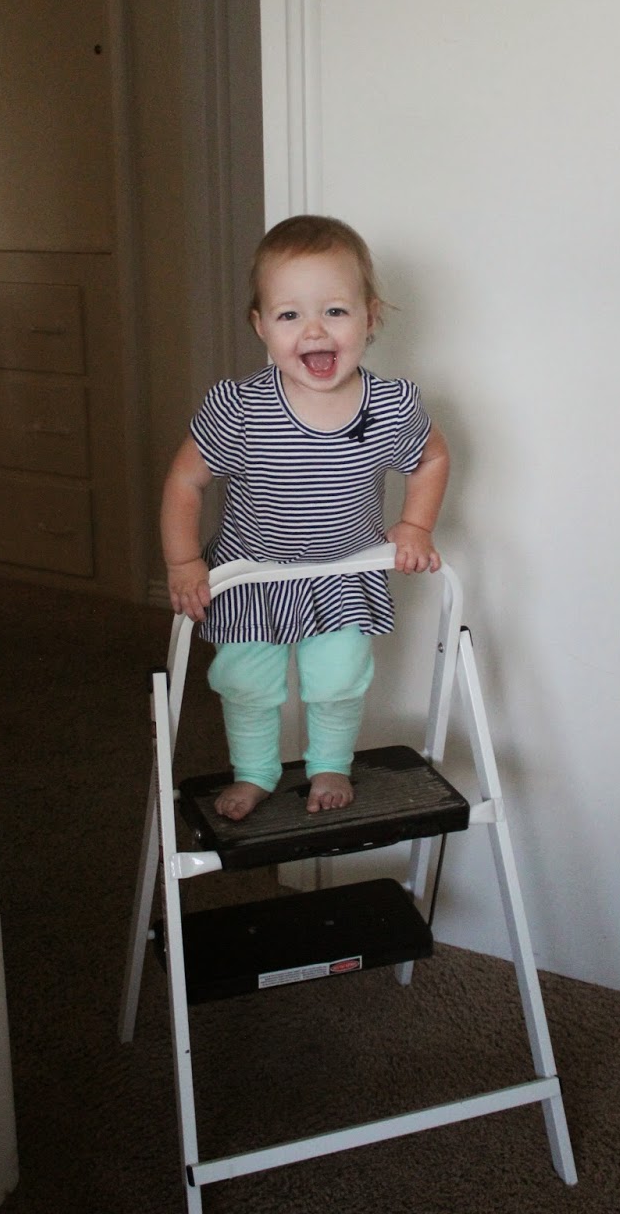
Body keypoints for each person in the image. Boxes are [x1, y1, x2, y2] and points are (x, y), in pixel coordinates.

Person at [161, 214, 450, 821]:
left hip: (342, 573)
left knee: (339, 677)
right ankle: (255, 772)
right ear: (261, 326)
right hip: (252, 573)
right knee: (246, 681)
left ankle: (329, 766)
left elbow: (431, 457)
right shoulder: (241, 407)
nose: (313, 329)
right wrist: (183, 561)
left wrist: (415, 525)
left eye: (335, 311)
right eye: (290, 315)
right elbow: (186, 480)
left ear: (371, 318)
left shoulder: (389, 406)